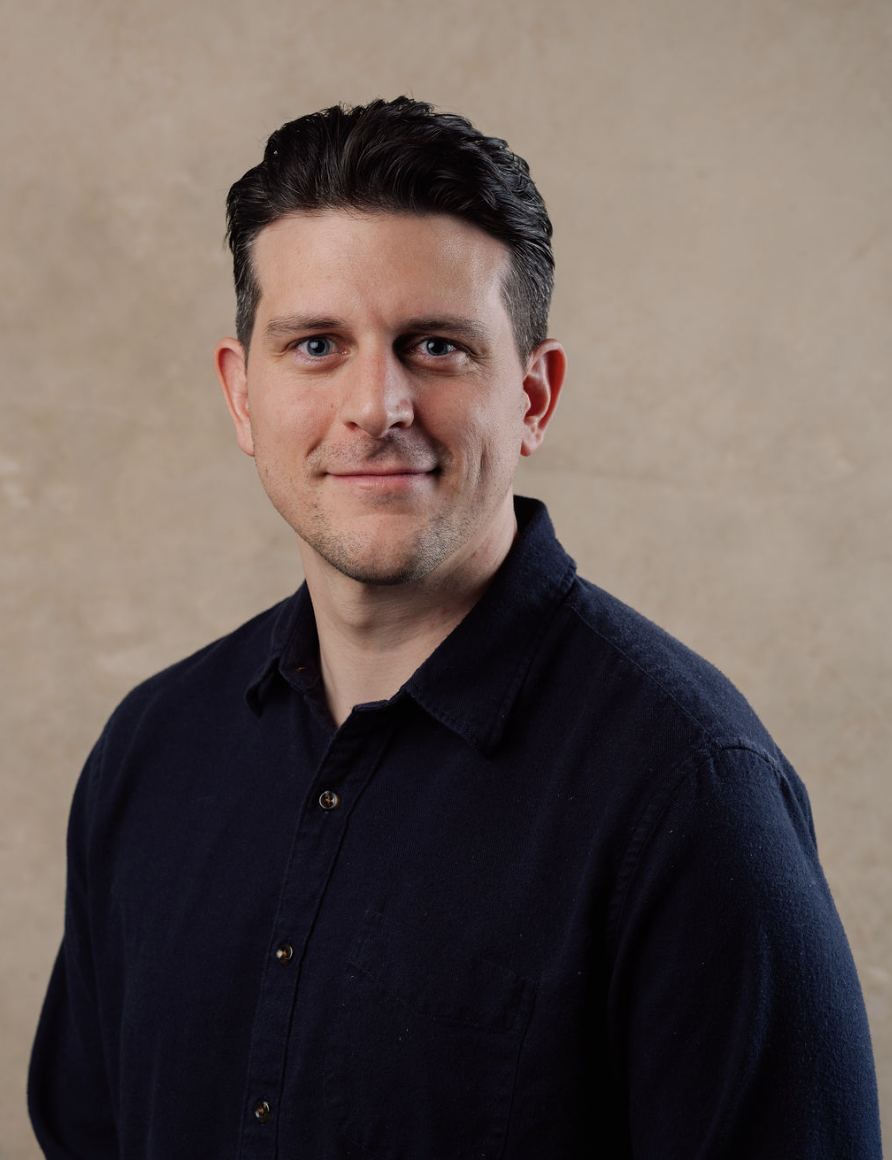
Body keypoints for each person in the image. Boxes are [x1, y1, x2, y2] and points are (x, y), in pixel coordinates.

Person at [29, 97, 881, 1159]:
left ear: (532, 393)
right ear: (242, 394)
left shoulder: (689, 793)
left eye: (435, 345)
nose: (375, 404)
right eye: (316, 345)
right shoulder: (150, 752)